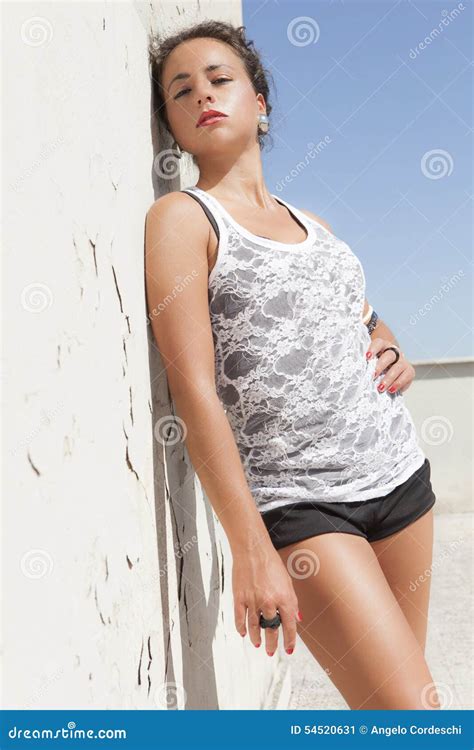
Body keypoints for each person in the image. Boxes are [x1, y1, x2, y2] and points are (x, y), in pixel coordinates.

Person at [145, 20, 440, 710]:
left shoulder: (320, 229)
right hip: (302, 506)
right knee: (413, 714)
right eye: (180, 91)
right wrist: (249, 546)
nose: (201, 96)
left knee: (389, 716)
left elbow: (366, 319)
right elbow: (193, 389)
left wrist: (392, 347)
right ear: (171, 126)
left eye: (220, 79)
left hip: (399, 479)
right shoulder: (183, 219)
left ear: (261, 102)